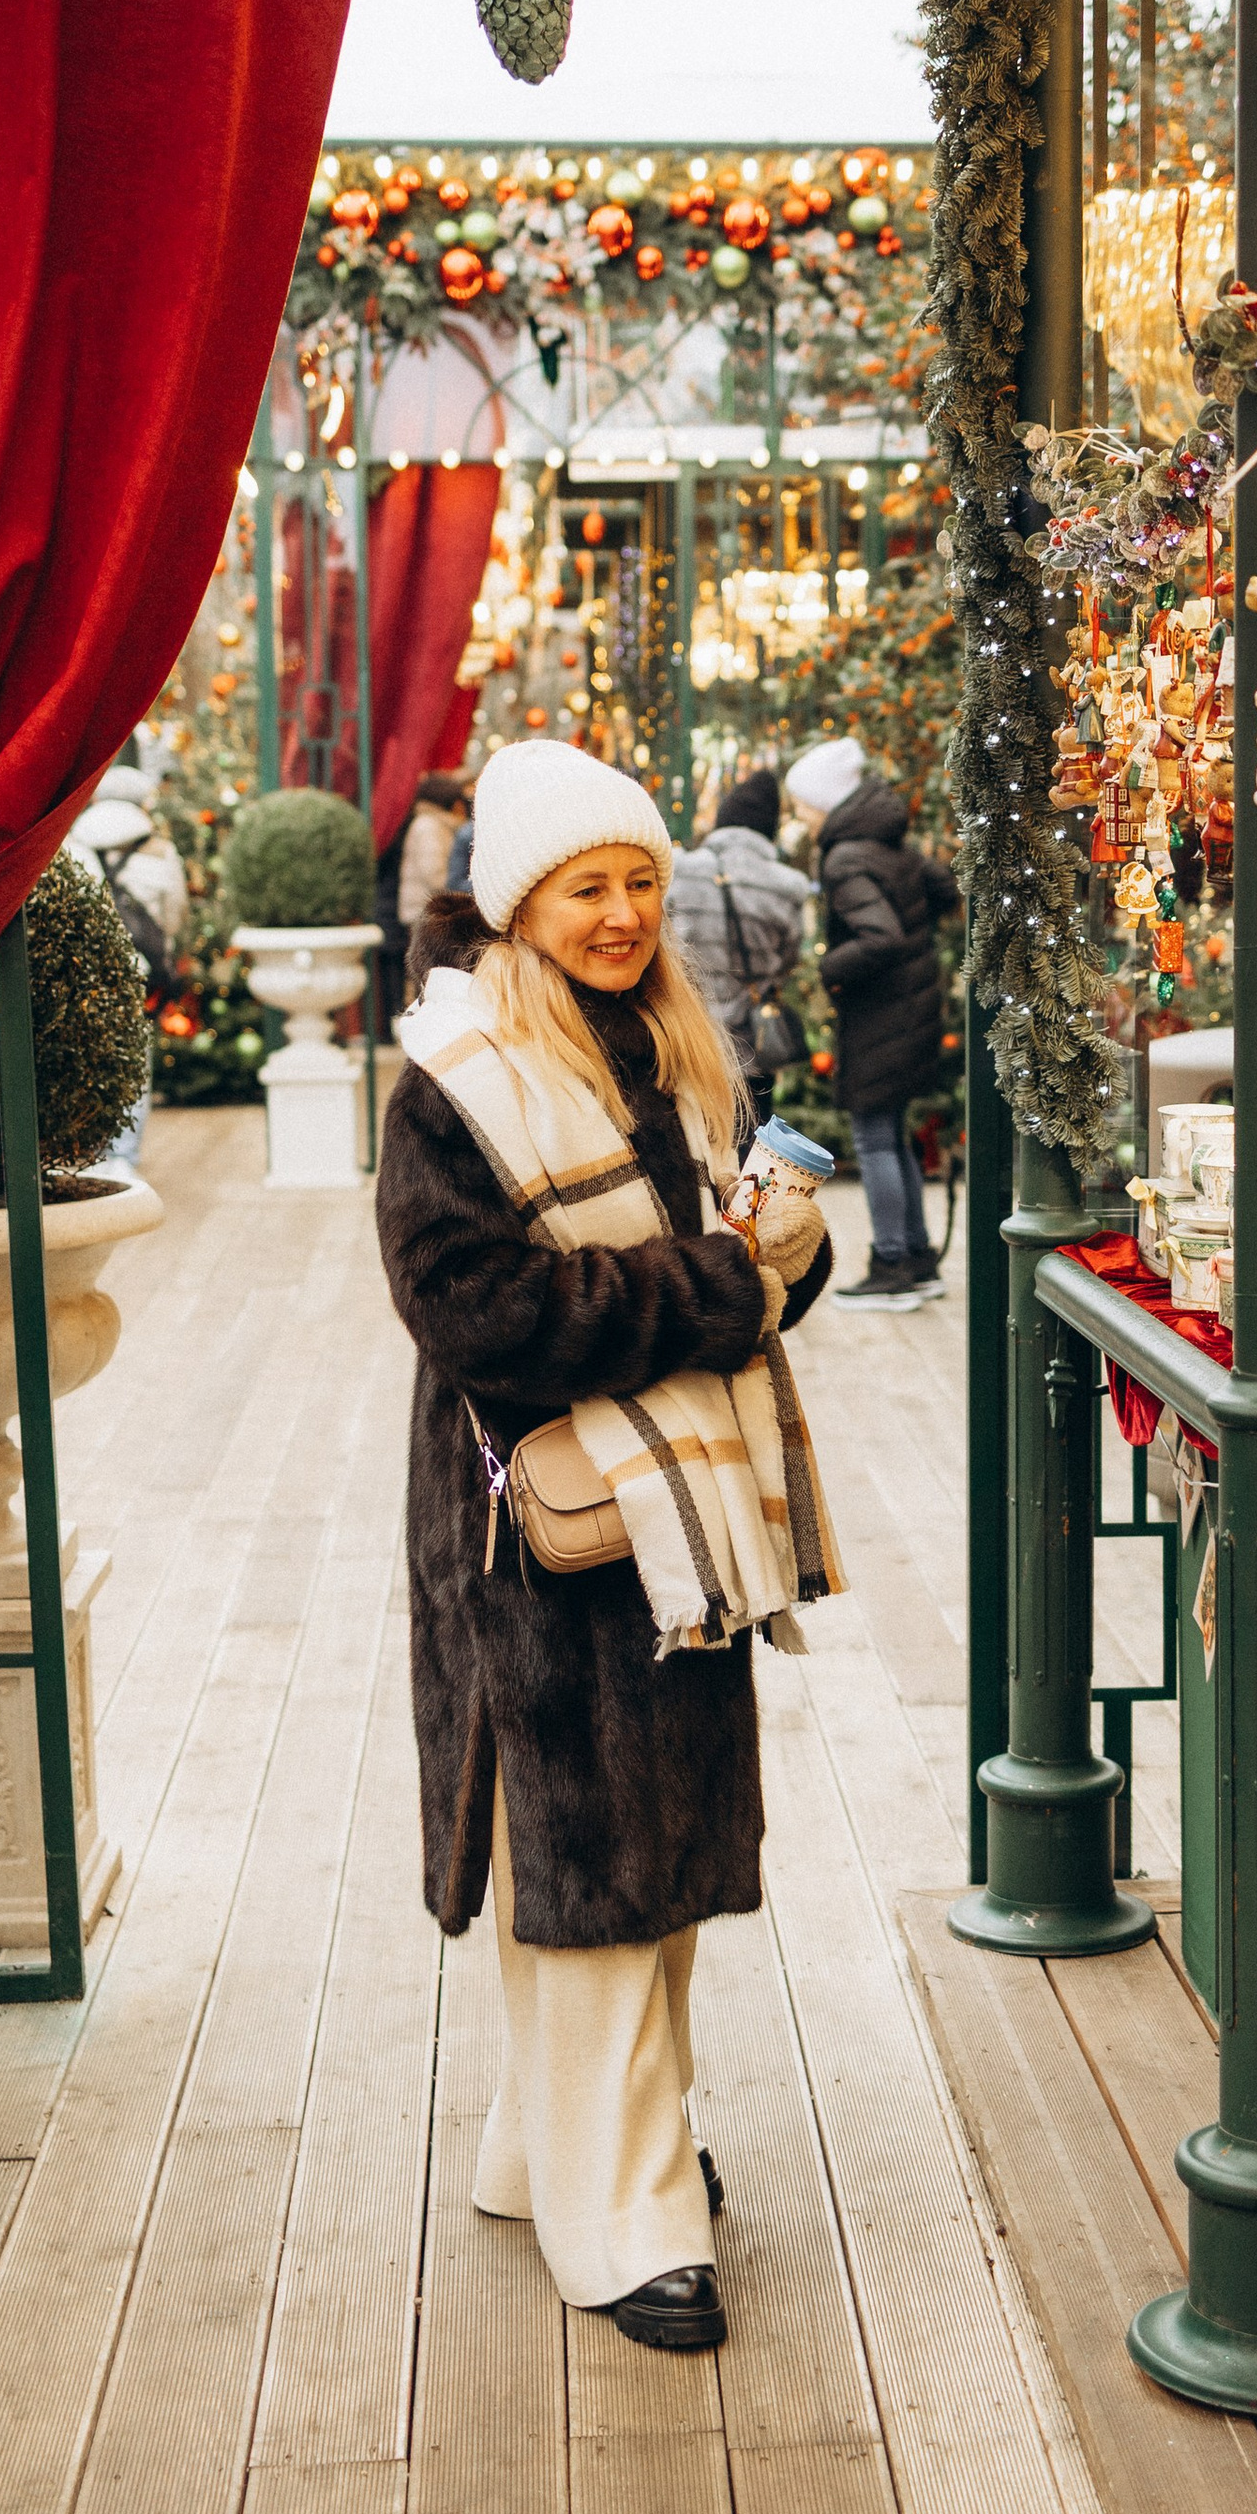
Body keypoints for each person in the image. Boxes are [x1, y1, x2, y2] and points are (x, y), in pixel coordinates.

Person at [376, 743, 839, 2354]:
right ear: (522, 904)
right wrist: (716, 1291)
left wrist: (787, 1253)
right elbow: (474, 1311)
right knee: (590, 1875)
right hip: (542, 1539)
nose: (628, 911)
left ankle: (553, 2150)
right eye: (592, 888)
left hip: (675, 1528)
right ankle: (624, 2218)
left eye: (640, 879)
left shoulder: (664, 1045)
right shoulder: (458, 1076)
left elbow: (739, 1262)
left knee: (656, 1872)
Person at [788, 739, 959, 1311]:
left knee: (874, 1137)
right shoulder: (890, 848)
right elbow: (942, 890)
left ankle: (892, 1265)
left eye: (804, 805)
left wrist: (828, 968)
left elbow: (878, 937)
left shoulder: (845, 858)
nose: (800, 816)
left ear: (827, 803)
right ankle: (915, 1256)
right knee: (891, 1134)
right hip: (907, 1011)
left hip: (880, 1016)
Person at [663, 767, 815, 1120]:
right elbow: (788, 959)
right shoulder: (785, 886)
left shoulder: (680, 872)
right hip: (752, 1041)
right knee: (752, 1147)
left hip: (688, 1035)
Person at [378, 768, 470, 970]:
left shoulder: (431, 824)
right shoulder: (430, 826)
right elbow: (435, 875)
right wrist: (460, 885)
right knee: (428, 971)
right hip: (424, 909)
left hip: (421, 909)